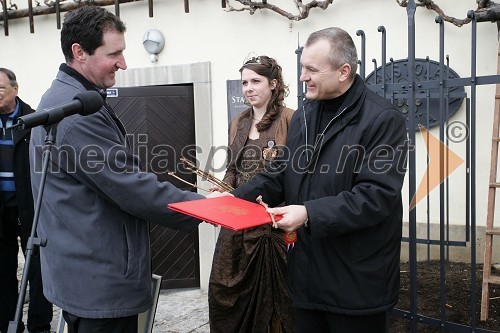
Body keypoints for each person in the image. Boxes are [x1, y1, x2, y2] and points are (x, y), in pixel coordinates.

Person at [29, 6, 220, 333]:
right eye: (113, 53)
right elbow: (132, 187)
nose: (123, 63)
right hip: (100, 283)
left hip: (83, 275)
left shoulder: (66, 97)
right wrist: (207, 208)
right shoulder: (76, 114)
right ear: (80, 52)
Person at [231, 27, 408, 332]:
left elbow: (376, 196)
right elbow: (281, 172)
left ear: (343, 71)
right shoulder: (305, 115)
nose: (302, 77)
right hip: (307, 278)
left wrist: (309, 213)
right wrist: (232, 201)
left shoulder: (383, 119)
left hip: (356, 284)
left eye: (311, 69)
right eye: (302, 67)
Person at [208, 56, 296, 332]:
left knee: (278, 301)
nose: (248, 88)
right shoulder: (239, 122)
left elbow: (294, 173)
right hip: (239, 221)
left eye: (255, 81)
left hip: (273, 223)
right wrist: (223, 189)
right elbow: (232, 168)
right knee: (224, 290)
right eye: (244, 82)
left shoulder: (291, 119)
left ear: (273, 84)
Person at [0, 68, 53, 333]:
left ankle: (39, 326)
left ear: (15, 89)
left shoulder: (33, 121)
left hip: (30, 207)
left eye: (0, 89)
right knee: (3, 271)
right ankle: (9, 325)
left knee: (38, 270)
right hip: (1, 210)